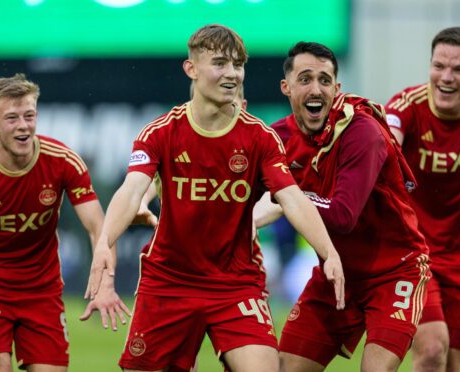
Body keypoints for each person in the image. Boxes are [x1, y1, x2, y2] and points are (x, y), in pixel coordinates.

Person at [84, 24, 345, 372]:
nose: (232, 74)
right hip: (169, 281)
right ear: (191, 69)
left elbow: (291, 199)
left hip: (235, 283)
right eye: (220, 63)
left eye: (238, 65)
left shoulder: (260, 138)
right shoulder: (161, 132)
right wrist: (104, 243)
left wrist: (328, 252)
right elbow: (132, 189)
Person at [254, 41, 431, 372]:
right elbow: (240, 197)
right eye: (305, 79)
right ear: (286, 86)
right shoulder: (275, 138)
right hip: (335, 274)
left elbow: (342, 216)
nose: (315, 89)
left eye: (324, 80)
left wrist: (286, 196)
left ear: (337, 88)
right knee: (284, 368)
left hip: (393, 271)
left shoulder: (362, 132)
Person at [0, 73, 116, 371]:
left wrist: (106, 285)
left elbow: (99, 227)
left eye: (29, 115)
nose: (23, 126)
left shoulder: (63, 160)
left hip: (41, 291)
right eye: (11, 118)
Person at [385, 26, 460, 371]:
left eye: (459, 70)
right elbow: (385, 144)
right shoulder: (407, 106)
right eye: (438, 66)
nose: (446, 78)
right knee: (430, 350)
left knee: (452, 364)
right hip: (415, 251)